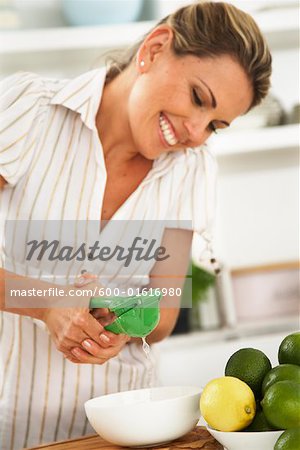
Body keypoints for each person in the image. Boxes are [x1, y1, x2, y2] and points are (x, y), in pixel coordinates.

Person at [0, 1, 271, 449]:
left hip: (127, 433)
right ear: (156, 48)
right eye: (198, 98)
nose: (196, 133)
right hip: (12, 427)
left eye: (215, 125)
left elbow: (163, 313)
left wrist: (123, 316)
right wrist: (47, 303)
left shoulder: (192, 169)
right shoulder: (30, 110)